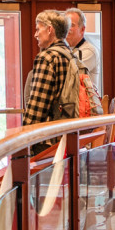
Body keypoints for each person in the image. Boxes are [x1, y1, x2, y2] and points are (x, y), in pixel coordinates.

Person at [22, 10, 78, 149]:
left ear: (50, 29)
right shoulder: (72, 57)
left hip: (47, 141)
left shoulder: (47, 58)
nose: (35, 35)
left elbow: (36, 110)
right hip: (69, 135)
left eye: (38, 29)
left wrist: (22, 138)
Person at [64, 7, 101, 96]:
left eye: (71, 25)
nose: (67, 29)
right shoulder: (67, 49)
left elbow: (67, 74)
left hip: (85, 108)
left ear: (82, 29)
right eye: (65, 25)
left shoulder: (89, 51)